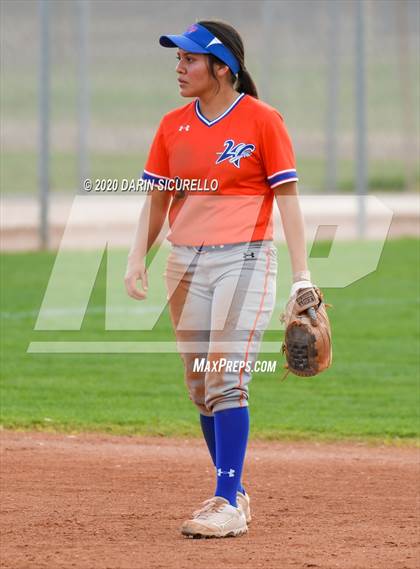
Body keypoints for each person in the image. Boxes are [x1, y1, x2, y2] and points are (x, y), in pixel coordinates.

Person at [125, 20, 314, 539]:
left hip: (244, 260)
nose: (179, 68)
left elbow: (288, 201)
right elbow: (158, 203)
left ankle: (227, 501)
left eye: (190, 59)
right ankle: (235, 492)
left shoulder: (262, 120)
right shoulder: (171, 126)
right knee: (200, 387)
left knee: (226, 377)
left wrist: (302, 277)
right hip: (184, 264)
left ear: (222, 67)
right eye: (178, 60)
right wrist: (136, 257)